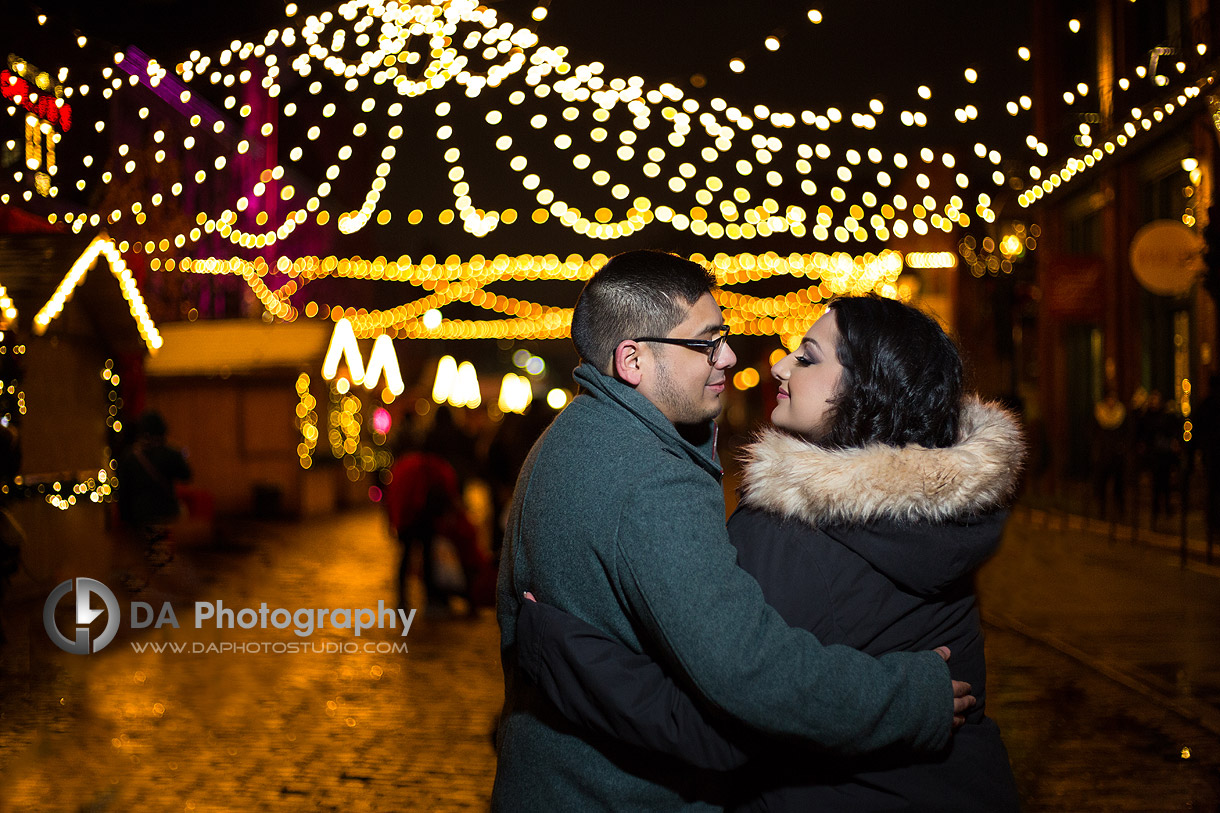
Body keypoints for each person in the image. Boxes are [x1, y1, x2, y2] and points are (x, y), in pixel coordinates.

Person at [493, 252, 978, 810]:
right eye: (704, 345)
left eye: (721, 336)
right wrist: (910, 699)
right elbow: (752, 674)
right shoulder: (647, 478)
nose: (728, 356)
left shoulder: (581, 434)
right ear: (633, 360)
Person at [116, 410, 192, 567]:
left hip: (140, 516)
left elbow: (123, 492)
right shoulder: (171, 453)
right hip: (167, 514)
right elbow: (186, 476)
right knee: (166, 555)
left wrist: (126, 518)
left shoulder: (130, 457)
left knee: (146, 558)